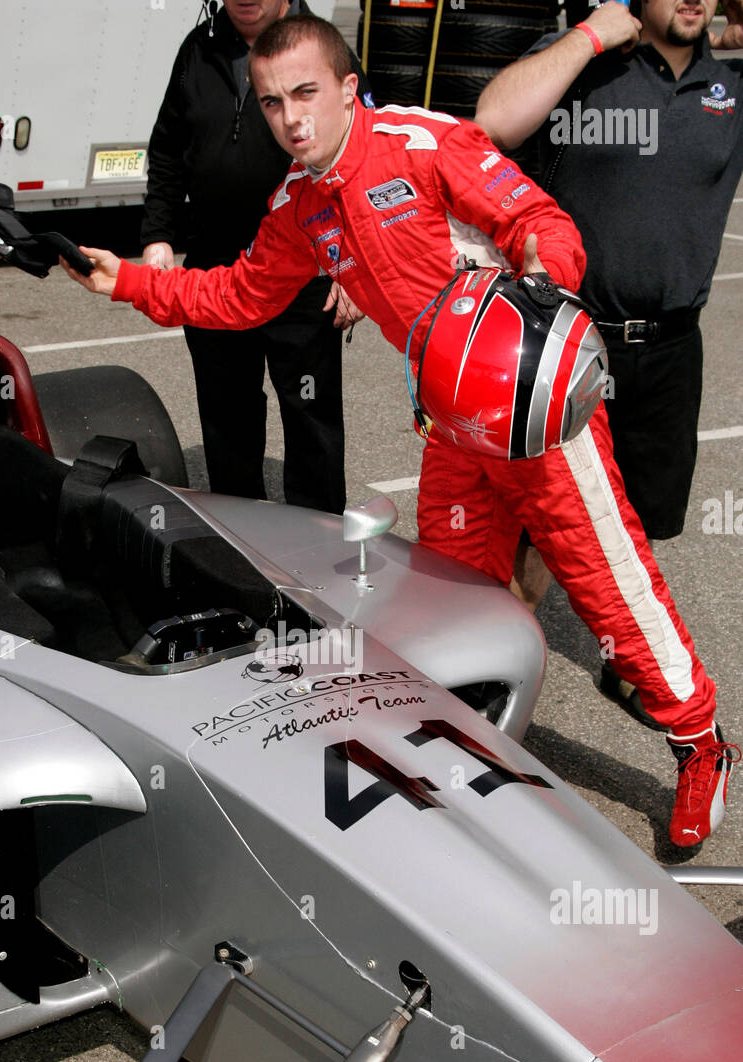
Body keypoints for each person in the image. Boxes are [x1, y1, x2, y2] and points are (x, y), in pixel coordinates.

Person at [61, 14, 738, 847]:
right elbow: (235, 298)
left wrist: (525, 304)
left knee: (609, 588)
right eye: (272, 103)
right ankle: (477, 758)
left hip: (532, 415)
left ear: (348, 88)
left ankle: (699, 741)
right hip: (452, 432)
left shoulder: (422, 142)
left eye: (306, 93)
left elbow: (543, 223)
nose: (291, 119)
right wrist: (125, 279)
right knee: (452, 605)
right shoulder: (300, 203)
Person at [475, 0, 743, 720]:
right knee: (537, 534)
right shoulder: (582, 65)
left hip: (669, 352)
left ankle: (619, 658)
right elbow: (491, 121)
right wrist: (589, 35)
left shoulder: (727, 89)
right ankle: (485, 694)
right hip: (572, 345)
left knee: (637, 527)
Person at [142, 0, 367, 513]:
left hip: (304, 274)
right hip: (215, 268)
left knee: (311, 417)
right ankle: (242, 545)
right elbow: (167, 150)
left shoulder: (321, 49)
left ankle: (318, 545)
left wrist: (353, 263)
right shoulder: (198, 51)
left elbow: (364, 156)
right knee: (227, 418)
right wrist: (158, 234)